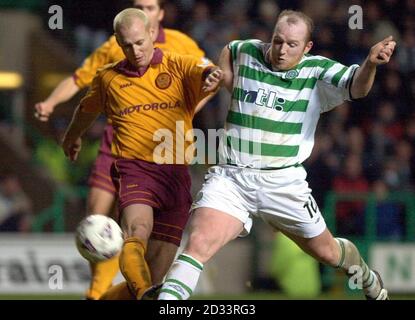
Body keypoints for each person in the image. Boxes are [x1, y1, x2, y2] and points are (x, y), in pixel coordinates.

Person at [158, 10, 395, 300]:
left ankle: (367, 277)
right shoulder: (247, 50)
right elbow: (229, 50)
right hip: (232, 178)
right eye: (277, 41)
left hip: (283, 182)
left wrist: (370, 63)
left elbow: (357, 87)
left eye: (292, 44)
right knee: (197, 243)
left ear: (307, 47)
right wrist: (225, 79)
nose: (282, 50)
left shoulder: (317, 70)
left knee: (328, 252)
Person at [35, 0, 209, 300]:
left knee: (156, 276)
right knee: (103, 218)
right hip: (124, 156)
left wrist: (189, 107)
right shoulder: (111, 64)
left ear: (159, 16)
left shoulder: (181, 49)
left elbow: (209, 76)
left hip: (173, 165)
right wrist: (56, 111)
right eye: (140, 5)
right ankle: (97, 289)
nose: (134, 49)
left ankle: (114, 295)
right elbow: (80, 85)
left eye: (151, 6)